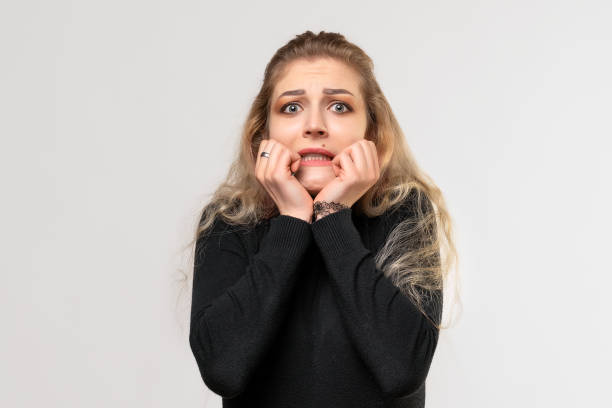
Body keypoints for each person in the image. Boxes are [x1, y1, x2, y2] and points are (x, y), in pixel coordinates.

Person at [187, 30, 459, 408]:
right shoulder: (229, 221)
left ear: (371, 131)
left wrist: (332, 216)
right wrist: (293, 220)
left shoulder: (406, 213)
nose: (314, 125)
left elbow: (402, 371)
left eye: (339, 107)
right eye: (292, 108)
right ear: (263, 133)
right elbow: (222, 370)